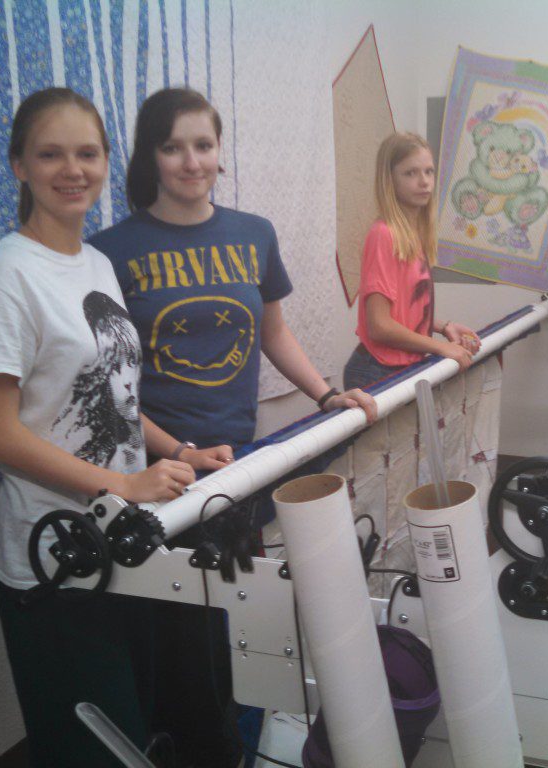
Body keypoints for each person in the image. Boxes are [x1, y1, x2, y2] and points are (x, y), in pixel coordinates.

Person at [89, 87, 377, 768]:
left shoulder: (253, 234)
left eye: (203, 144)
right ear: (150, 156)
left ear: (220, 152)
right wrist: (178, 451)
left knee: (234, 625)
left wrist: (326, 393)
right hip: (163, 473)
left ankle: (233, 745)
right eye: (173, 146)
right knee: (179, 640)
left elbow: (274, 332)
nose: (191, 160)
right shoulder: (111, 251)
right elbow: (110, 384)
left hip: (241, 465)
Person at [0, 87, 232, 768]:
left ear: (108, 161)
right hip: (55, 563)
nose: (71, 169)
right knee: (92, 749)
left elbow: (117, 395)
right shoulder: (8, 276)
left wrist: (183, 453)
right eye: (50, 154)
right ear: (20, 165)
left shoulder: (97, 265)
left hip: (124, 545)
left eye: (87, 153)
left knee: (141, 736)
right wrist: (122, 483)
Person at [343, 132, 481, 391]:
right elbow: (379, 326)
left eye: (429, 172)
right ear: (390, 180)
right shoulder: (383, 234)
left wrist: (443, 327)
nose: (424, 182)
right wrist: (442, 348)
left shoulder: (414, 235)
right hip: (375, 370)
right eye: (411, 173)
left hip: (405, 366)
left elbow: (404, 311)